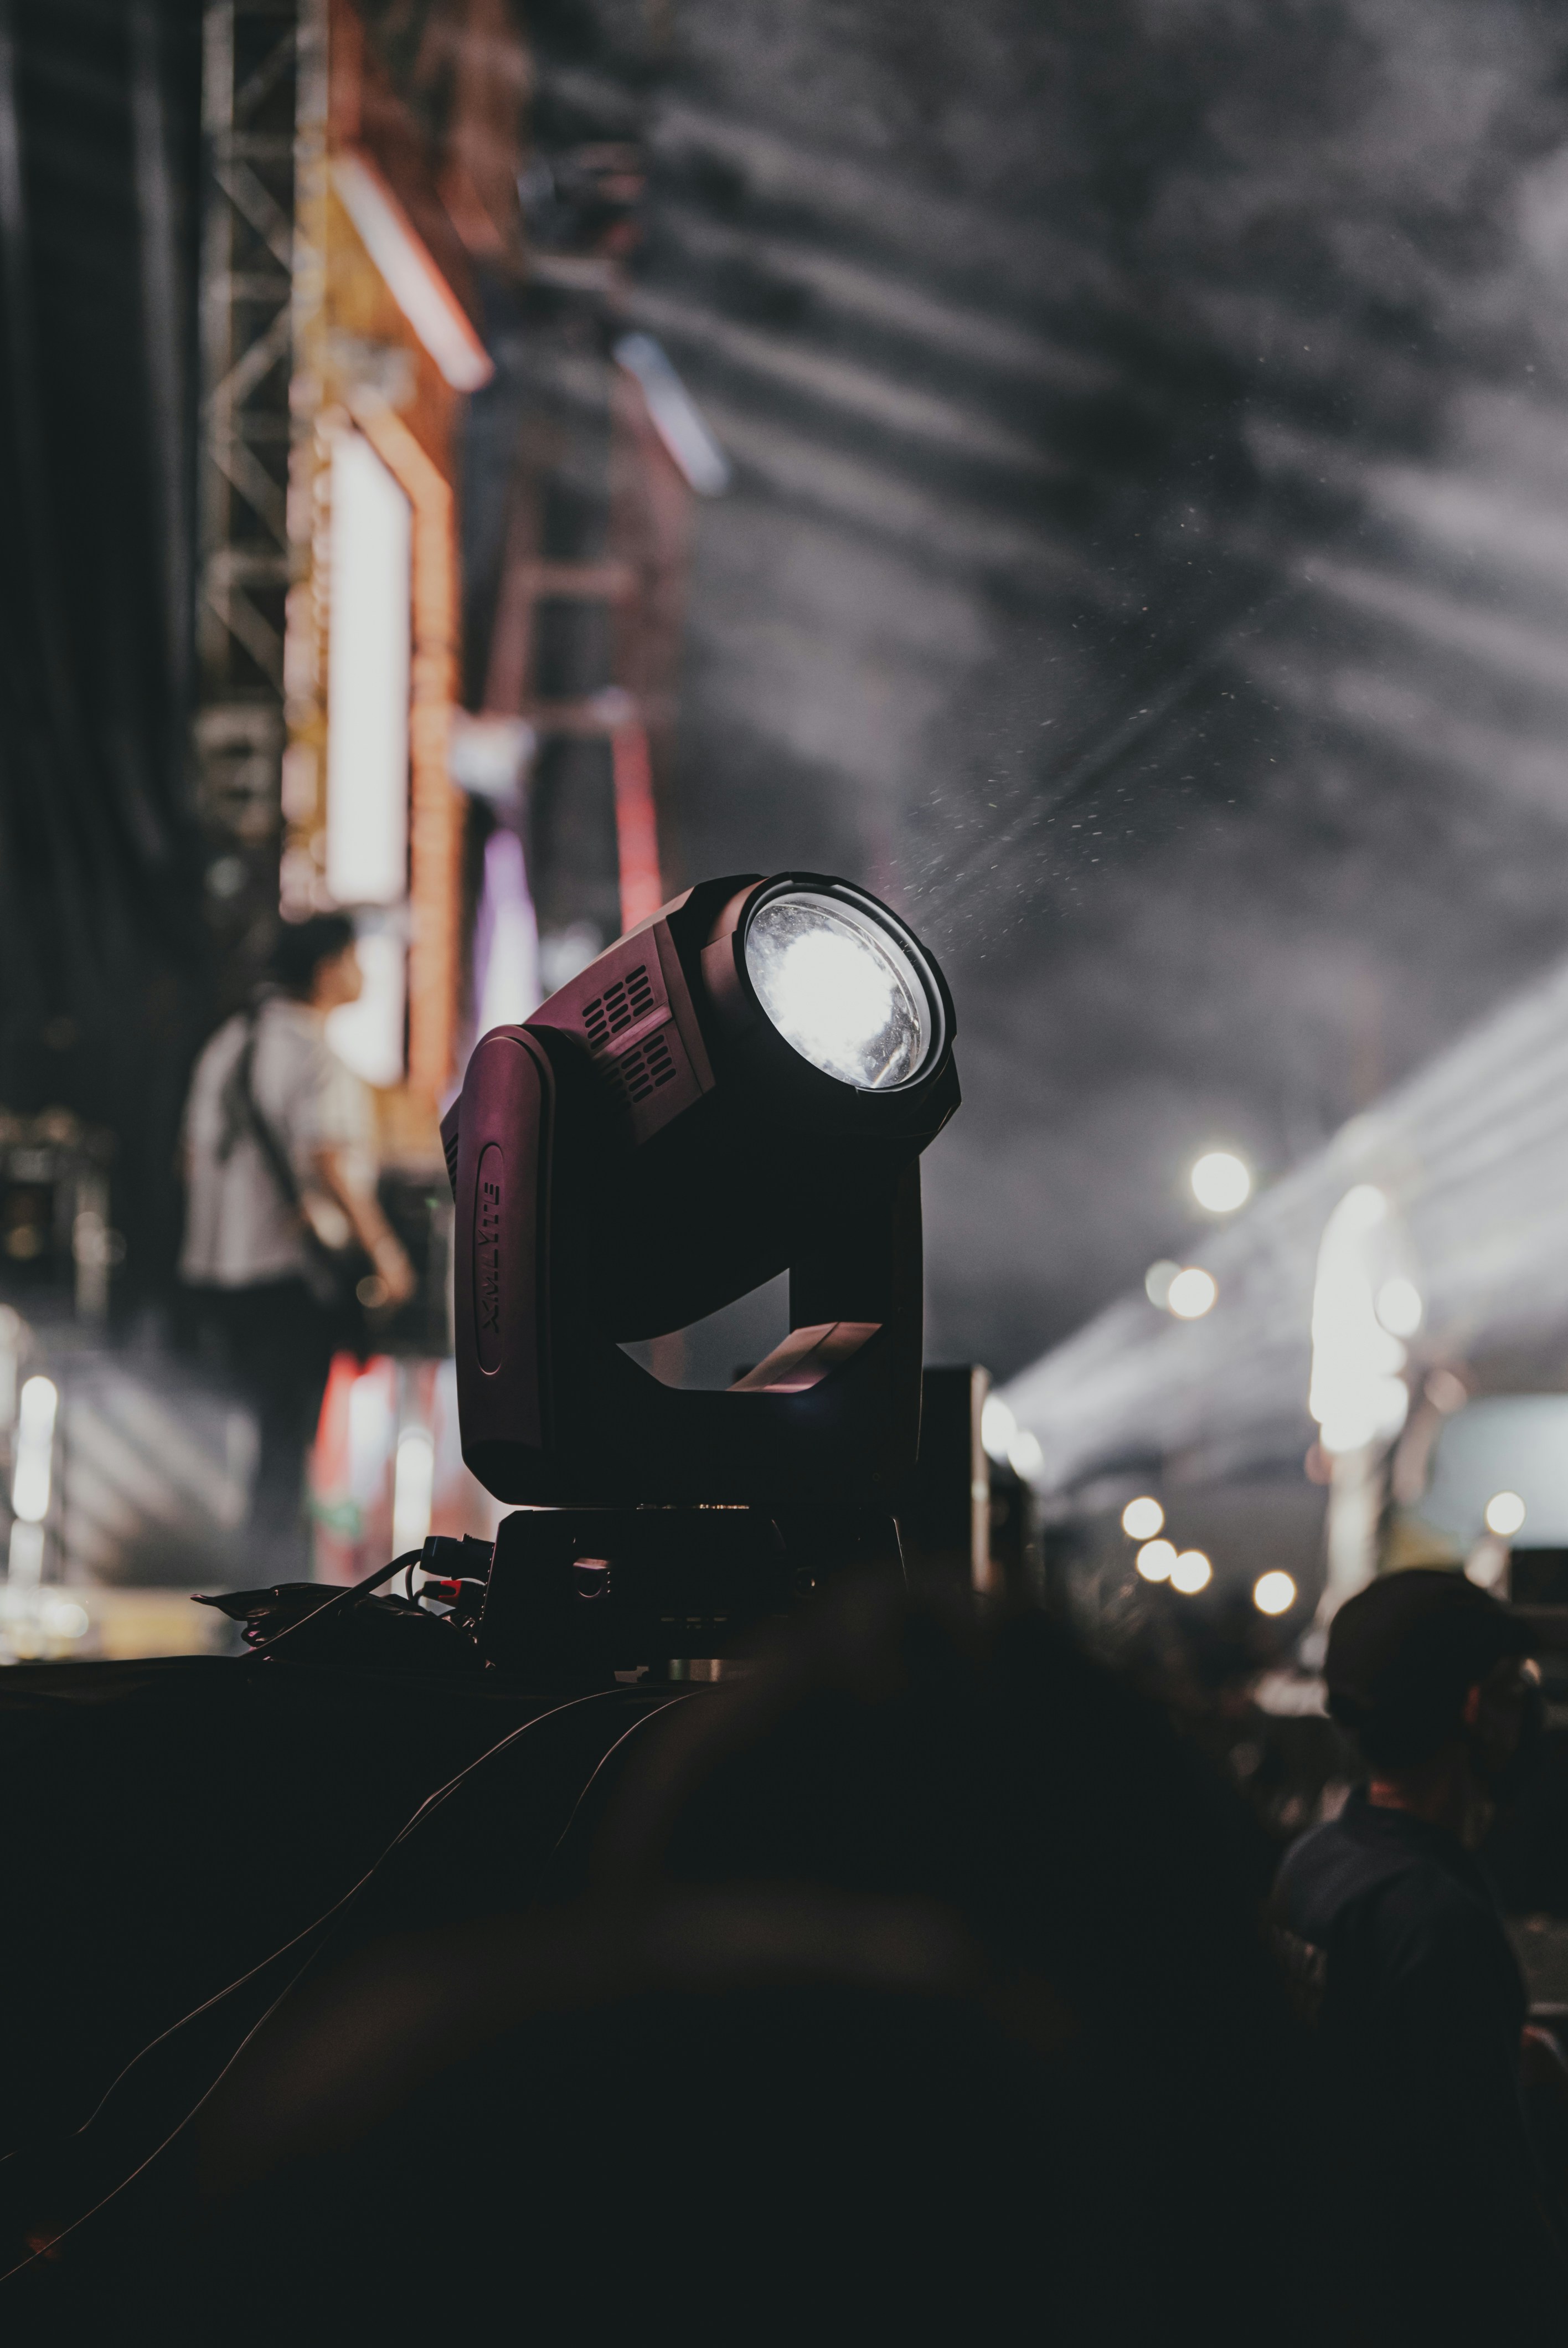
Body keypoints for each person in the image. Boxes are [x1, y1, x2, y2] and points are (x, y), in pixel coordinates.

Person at [1274, 1568, 1568, 2339]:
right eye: (1512, 1686)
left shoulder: (1315, 1861)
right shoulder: (1439, 1920)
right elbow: (1496, 2225)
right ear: (1475, 1710)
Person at [179, 915, 415, 1576]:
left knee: (249, 1440)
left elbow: (190, 1159)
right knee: (287, 1446)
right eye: (355, 959)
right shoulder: (313, 1052)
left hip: (217, 1275)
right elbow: (329, 1160)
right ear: (327, 968)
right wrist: (387, 1254)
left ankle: (240, 1591)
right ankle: (274, 1596)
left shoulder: (227, 1043)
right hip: (288, 1277)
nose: (363, 975)